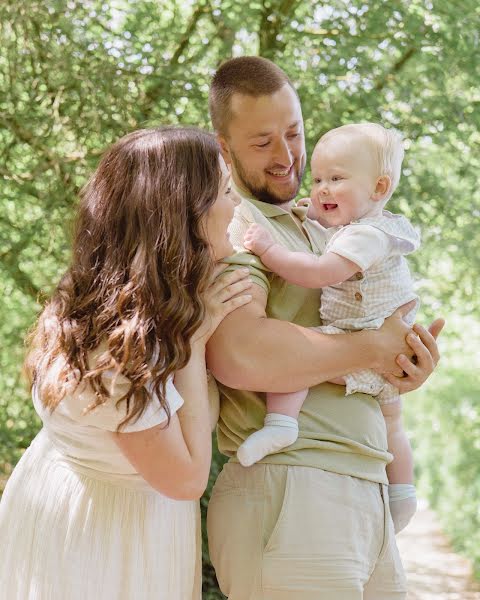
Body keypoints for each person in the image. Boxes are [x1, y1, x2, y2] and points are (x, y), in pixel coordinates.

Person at [205, 56, 444, 599]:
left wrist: (399, 363)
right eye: (263, 141)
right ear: (224, 147)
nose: (287, 155)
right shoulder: (238, 224)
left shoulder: (328, 220)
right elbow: (241, 353)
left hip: (360, 486)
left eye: (293, 133)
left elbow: (356, 332)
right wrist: (370, 346)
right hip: (296, 487)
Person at [0, 126, 253, 600]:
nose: (236, 205)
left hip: (99, 514)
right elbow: (186, 478)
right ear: (185, 217)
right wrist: (195, 346)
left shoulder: (109, 304)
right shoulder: (121, 351)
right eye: (223, 192)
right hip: (101, 540)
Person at [239, 122, 419, 534]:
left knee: (296, 359)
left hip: (362, 334)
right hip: (388, 344)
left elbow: (321, 272)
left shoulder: (367, 237)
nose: (321, 189)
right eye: (319, 178)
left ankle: (280, 425)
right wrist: (317, 216)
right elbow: (328, 237)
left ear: (378, 188)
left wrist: (269, 250)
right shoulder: (365, 228)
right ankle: (403, 494)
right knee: (393, 423)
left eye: (336, 179)